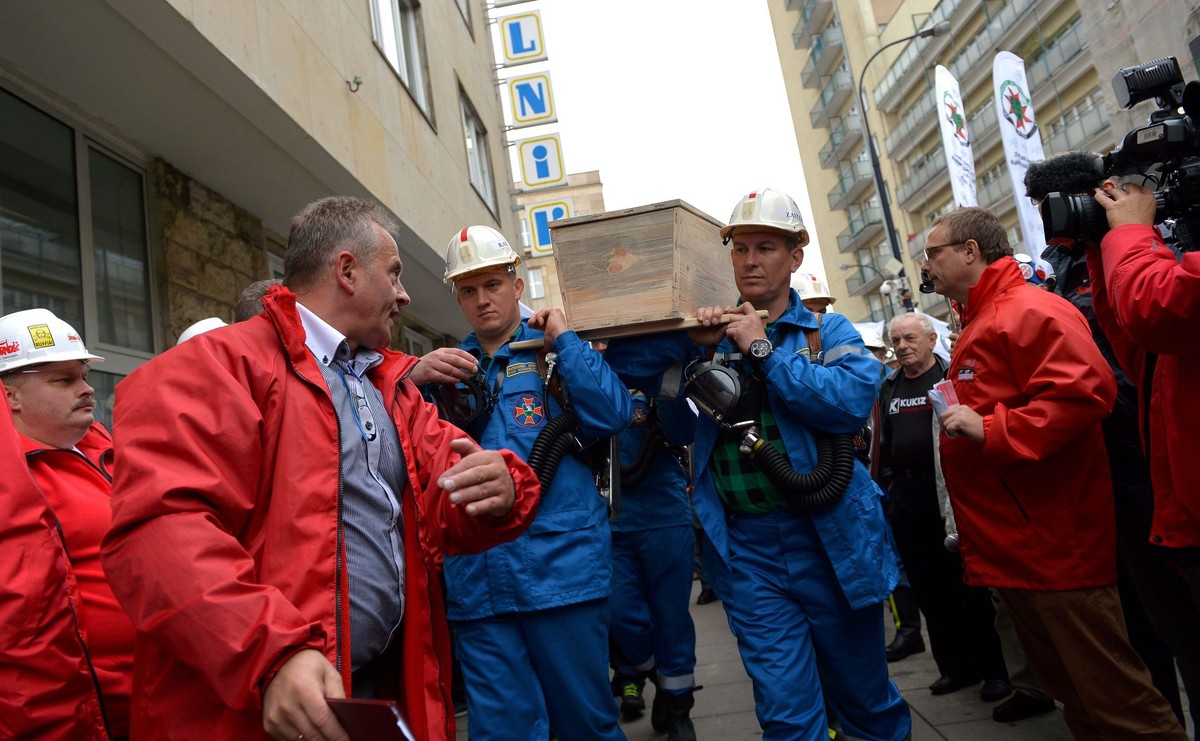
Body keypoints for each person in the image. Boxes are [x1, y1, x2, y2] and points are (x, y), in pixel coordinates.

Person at [101, 197, 540, 741]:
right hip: (251, 709)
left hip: (377, 692)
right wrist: (271, 653)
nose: (405, 294)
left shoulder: (391, 387)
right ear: (348, 271)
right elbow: (161, 533)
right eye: (395, 273)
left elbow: (446, 503)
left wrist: (503, 486)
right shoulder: (213, 367)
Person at [609, 188, 909, 740]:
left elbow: (844, 406)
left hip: (831, 539)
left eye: (765, 246)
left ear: (794, 257)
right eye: (740, 247)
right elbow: (673, 428)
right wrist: (690, 352)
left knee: (867, 705)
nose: (749, 260)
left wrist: (762, 350)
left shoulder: (825, 332)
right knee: (786, 717)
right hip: (749, 551)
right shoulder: (709, 340)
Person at [924, 205, 1186, 739]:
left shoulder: (1025, 310)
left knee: (1118, 701)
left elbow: (1087, 392)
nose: (926, 266)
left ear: (970, 251)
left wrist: (993, 429)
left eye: (933, 252)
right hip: (1017, 547)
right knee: (1077, 698)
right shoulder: (986, 316)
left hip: (1053, 547)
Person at [409, 225, 630, 740]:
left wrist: (567, 342)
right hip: (479, 584)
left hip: (562, 577)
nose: (482, 300)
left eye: (492, 284)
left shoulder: (554, 353)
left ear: (516, 282)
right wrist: (413, 380)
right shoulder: (446, 372)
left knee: (586, 725)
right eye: (468, 290)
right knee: (502, 731)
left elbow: (613, 415)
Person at [1023, 161, 1199, 729]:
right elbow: (1129, 342)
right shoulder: (1062, 266)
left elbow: (1148, 324)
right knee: (1153, 622)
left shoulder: (1151, 244)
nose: (1047, 218)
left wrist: (1122, 238)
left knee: (1178, 623)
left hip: (1147, 456)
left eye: (1050, 202)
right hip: (1122, 469)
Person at [0, 309, 130, 739]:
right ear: (11, 396)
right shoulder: (12, 479)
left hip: (159, 690)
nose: (87, 389)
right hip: (93, 712)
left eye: (82, 375)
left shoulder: (104, 447)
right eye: (63, 380)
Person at [876, 312, 1009, 700]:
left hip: (951, 500)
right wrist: (890, 484)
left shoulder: (951, 379)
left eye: (909, 338)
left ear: (932, 340)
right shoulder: (889, 386)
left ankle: (995, 672)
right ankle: (954, 667)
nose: (902, 347)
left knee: (972, 591)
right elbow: (883, 442)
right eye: (896, 340)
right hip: (909, 504)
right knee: (931, 592)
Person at [1088, 180, 1200, 608]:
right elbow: (1141, 348)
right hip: (1181, 520)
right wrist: (1103, 248)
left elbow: (1152, 308)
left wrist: (1130, 231)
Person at [605, 383, 699, 740]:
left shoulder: (655, 371)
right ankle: (657, 673)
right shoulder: (579, 366)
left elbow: (683, 429)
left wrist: (664, 375)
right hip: (610, 516)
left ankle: (677, 706)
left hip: (663, 511)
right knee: (621, 615)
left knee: (672, 618)